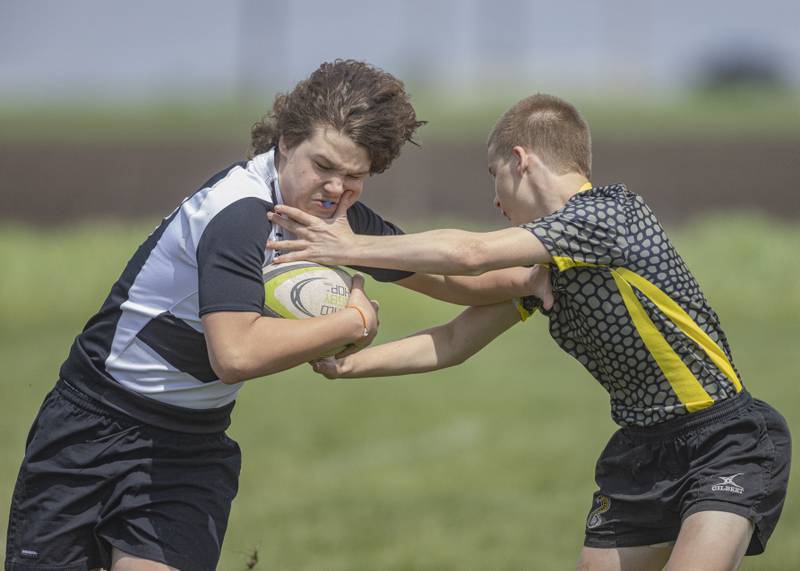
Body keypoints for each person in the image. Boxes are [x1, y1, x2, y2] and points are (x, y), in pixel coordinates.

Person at [4, 61, 552, 571]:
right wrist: (352, 322)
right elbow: (235, 355)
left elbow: (462, 280)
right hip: (92, 431)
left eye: (355, 176)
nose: (336, 189)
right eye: (323, 166)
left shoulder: (335, 218)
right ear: (286, 143)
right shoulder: (238, 214)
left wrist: (542, 274)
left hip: (189, 450)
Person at [267, 93, 792, 570]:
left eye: (494, 175)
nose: (496, 202)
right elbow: (452, 342)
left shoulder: (609, 215)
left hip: (725, 438)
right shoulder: (547, 268)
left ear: (520, 161)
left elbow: (469, 255)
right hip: (640, 453)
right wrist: (346, 364)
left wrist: (348, 246)